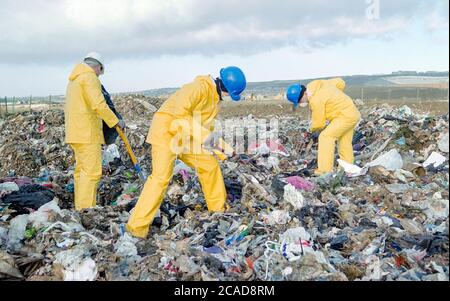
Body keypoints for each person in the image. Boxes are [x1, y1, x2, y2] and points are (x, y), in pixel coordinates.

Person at [126, 66, 246, 238]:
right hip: (166, 132)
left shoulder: (214, 100)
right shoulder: (197, 88)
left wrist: (222, 152)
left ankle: (218, 210)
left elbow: (204, 128)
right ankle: (136, 228)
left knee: (209, 165)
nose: (228, 98)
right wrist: (217, 143)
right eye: (229, 94)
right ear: (224, 87)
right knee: (160, 179)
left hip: (185, 137)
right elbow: (180, 117)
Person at [65, 52, 125, 211]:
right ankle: (86, 210)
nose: (100, 74)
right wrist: (115, 122)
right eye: (101, 71)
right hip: (87, 133)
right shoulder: (89, 77)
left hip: (75, 133)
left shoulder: (75, 79)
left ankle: (80, 207)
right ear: (98, 66)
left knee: (81, 172)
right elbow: (98, 105)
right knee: (91, 173)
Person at [286, 78, 361, 175]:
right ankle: (347, 169)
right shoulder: (319, 85)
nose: (301, 103)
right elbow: (340, 82)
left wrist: (313, 131)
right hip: (352, 112)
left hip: (343, 117)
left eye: (300, 101)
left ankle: (325, 171)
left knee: (325, 137)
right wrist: (335, 98)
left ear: (303, 94)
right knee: (344, 142)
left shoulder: (315, 100)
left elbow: (319, 123)